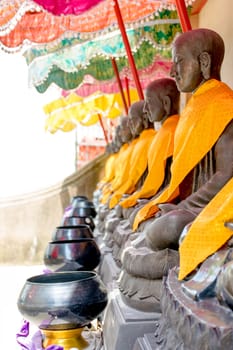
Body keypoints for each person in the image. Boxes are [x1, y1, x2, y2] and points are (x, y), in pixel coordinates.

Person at [119, 28, 233, 311]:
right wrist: (175, 202)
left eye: (179, 61)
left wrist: (185, 206)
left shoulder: (224, 106)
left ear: (204, 63)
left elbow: (226, 175)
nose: (173, 70)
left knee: (165, 227)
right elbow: (181, 176)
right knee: (147, 221)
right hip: (194, 206)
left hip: (217, 208)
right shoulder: (195, 109)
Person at [108, 100, 156, 209]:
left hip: (150, 196)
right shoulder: (140, 144)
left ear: (144, 119)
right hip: (140, 194)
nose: (130, 126)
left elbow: (152, 183)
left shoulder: (151, 140)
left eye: (132, 120)